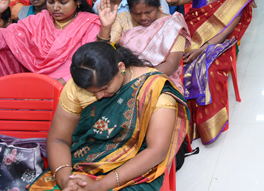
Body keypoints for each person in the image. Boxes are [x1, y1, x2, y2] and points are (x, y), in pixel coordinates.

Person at [29, 42, 189, 191]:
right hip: (83, 159)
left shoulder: (155, 91)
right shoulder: (78, 87)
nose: (99, 96)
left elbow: (156, 152)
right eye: (93, 92)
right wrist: (65, 179)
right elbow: (59, 139)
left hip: (135, 170)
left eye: (104, 88)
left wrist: (101, 185)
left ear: (121, 67)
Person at [158, 0, 253, 144]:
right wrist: (175, 0)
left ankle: (207, 125)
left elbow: (223, 34)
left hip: (217, 46)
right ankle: (178, 121)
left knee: (207, 72)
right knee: (173, 64)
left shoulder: (236, 3)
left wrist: (202, 50)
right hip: (189, 37)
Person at [0, 0, 100, 81]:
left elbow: (91, 61)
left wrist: (64, 81)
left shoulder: (89, 24)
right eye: (51, 2)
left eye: (63, 2)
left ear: (78, 1)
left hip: (72, 82)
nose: (55, 7)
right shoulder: (39, 20)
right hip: (35, 79)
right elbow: (5, 38)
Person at [96, 0, 189, 91]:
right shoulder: (124, 18)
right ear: (130, 10)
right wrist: (106, 28)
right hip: (124, 79)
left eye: (148, 12)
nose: (143, 17)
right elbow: (105, 53)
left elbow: (171, 64)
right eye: (137, 14)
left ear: (158, 5)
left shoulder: (173, 24)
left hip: (160, 80)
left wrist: (138, 80)